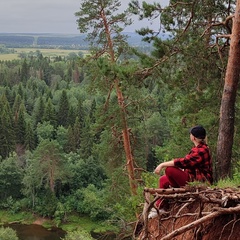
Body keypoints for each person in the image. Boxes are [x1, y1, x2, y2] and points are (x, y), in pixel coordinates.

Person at [148, 125, 213, 219]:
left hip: (199, 182)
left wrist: (162, 164)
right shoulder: (199, 148)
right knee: (163, 180)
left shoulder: (201, 150)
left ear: (193, 137)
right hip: (193, 178)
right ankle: (161, 207)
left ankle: (178, 191)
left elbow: (184, 162)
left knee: (169, 170)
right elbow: (189, 164)